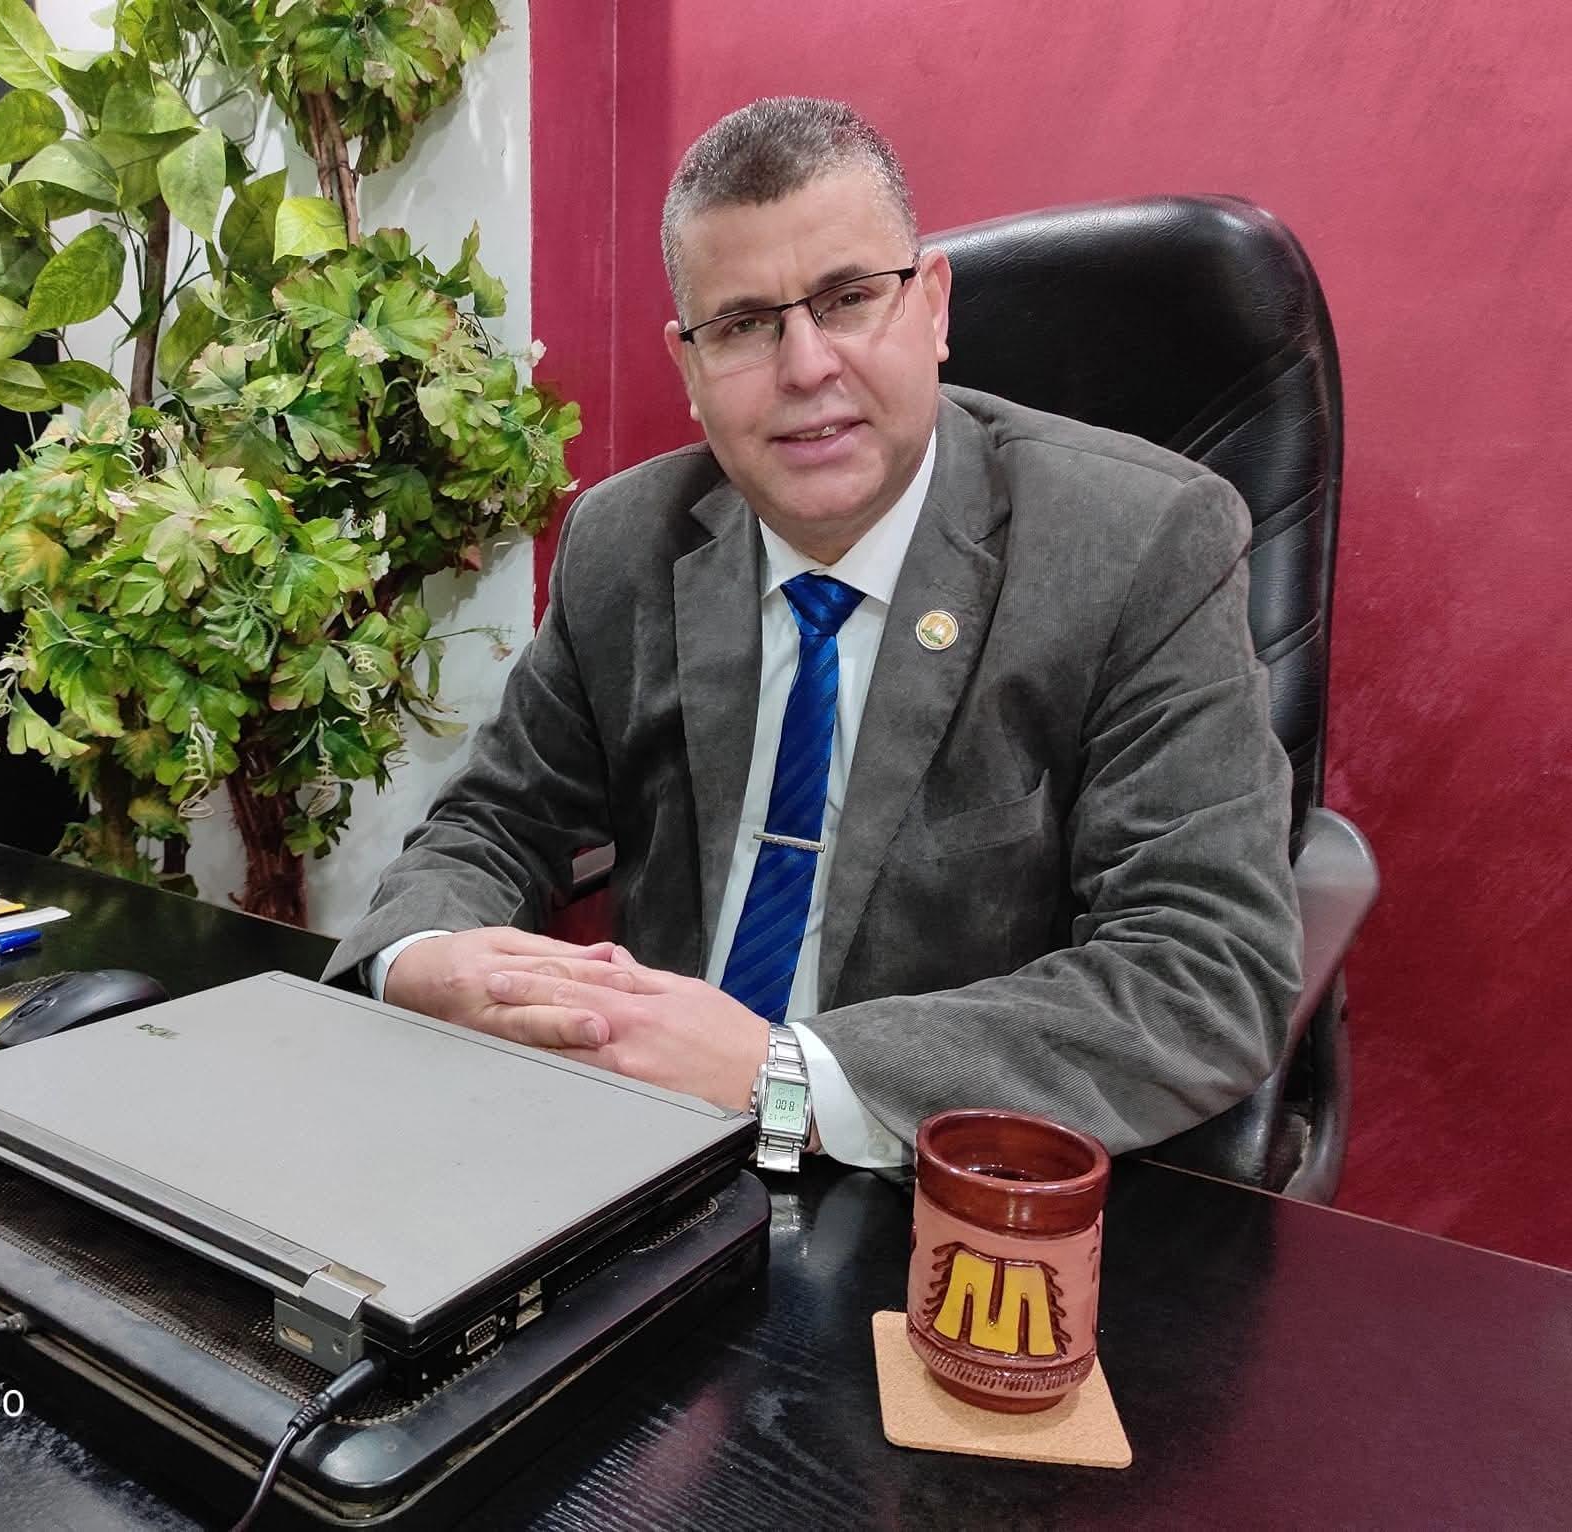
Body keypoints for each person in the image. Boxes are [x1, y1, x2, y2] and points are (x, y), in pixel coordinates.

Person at [321, 97, 1300, 1172]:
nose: (804, 367)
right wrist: (419, 954)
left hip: (927, 1186)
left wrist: (780, 1074)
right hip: (644, 1154)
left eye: (847, 299)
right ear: (689, 368)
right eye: (743, 324)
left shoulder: (1138, 544)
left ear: (932, 305)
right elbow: (498, 817)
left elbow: (1200, 970)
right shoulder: (624, 541)